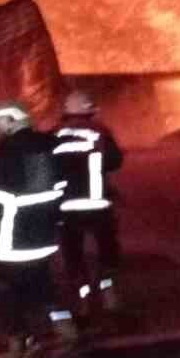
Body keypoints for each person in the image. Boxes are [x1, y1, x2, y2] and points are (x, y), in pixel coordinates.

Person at [0, 100, 79, 358]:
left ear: (13, 121)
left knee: (5, 297)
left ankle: (20, 353)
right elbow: (61, 190)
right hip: (44, 238)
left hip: (13, 243)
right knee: (45, 289)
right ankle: (67, 332)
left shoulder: (5, 155)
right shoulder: (49, 147)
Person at [52, 89, 125, 321]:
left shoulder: (55, 134)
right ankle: (110, 300)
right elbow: (115, 161)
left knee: (74, 256)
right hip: (98, 205)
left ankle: (82, 304)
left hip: (67, 207)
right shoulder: (100, 131)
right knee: (107, 253)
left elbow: (49, 168)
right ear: (90, 111)